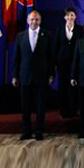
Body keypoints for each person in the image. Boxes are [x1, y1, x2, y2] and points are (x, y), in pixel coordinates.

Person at [12, 11, 55, 140]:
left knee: (40, 106)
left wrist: (51, 74)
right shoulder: (20, 36)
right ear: (27, 21)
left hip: (41, 76)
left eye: (36, 20)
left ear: (40, 21)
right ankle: (26, 131)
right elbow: (17, 58)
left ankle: (39, 131)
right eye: (31, 20)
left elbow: (50, 57)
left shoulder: (47, 35)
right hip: (25, 76)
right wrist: (15, 76)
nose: (34, 22)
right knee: (25, 106)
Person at [53, 7, 84, 118]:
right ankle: (63, 110)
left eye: (72, 15)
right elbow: (55, 46)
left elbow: (82, 47)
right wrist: (55, 63)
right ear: (65, 17)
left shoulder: (80, 30)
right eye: (68, 15)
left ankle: (74, 110)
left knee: (74, 86)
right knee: (63, 86)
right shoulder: (60, 29)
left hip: (75, 63)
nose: (70, 17)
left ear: (75, 17)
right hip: (62, 63)